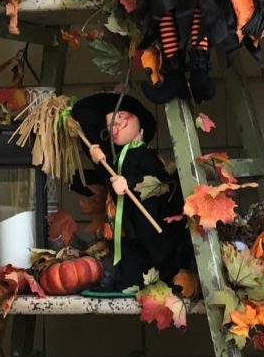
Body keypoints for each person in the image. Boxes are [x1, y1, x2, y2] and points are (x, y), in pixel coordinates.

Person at [69, 93, 192, 293]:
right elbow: (110, 174)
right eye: (110, 127)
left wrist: (130, 182)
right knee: (128, 247)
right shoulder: (120, 157)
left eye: (119, 122)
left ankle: (147, 278)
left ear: (136, 120)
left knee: (146, 248)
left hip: (147, 217)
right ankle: (124, 278)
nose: (114, 130)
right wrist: (97, 157)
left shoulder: (145, 156)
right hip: (128, 218)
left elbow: (156, 180)